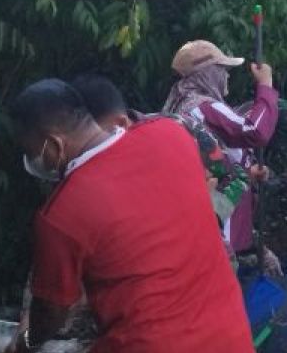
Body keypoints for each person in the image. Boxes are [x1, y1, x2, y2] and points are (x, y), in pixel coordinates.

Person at [8, 80, 255, 353]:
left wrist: (28, 341)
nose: (33, 160)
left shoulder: (61, 214)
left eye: (31, 150)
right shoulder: (171, 135)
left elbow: (52, 312)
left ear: (53, 144)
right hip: (226, 347)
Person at [71, 74, 252, 247]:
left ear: (118, 124)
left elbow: (235, 177)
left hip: (201, 251)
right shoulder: (88, 167)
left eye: (93, 140)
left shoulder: (179, 129)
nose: (90, 150)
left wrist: (209, 215)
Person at [162, 40, 277, 261]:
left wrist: (247, 173)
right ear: (208, 73)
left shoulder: (176, 106)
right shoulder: (203, 107)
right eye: (222, 69)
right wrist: (266, 85)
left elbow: (216, 159)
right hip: (217, 219)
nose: (227, 76)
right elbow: (254, 131)